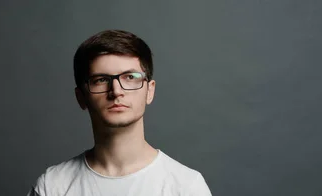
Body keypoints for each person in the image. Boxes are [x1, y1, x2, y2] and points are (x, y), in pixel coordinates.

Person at [26, 30, 212, 196]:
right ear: (81, 97)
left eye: (130, 77)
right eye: (100, 80)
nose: (116, 91)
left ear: (150, 91)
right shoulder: (52, 187)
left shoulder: (186, 187)